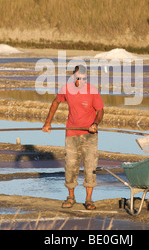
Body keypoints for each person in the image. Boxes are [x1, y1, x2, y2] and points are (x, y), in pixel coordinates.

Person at [42, 65, 104, 210]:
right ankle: (71, 197)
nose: (81, 81)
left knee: (90, 167)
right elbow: (56, 102)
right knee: (70, 166)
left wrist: (95, 123)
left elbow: (100, 110)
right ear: (73, 77)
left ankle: (89, 199)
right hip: (71, 133)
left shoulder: (92, 90)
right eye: (78, 78)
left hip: (90, 135)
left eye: (83, 78)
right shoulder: (66, 89)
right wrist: (47, 122)